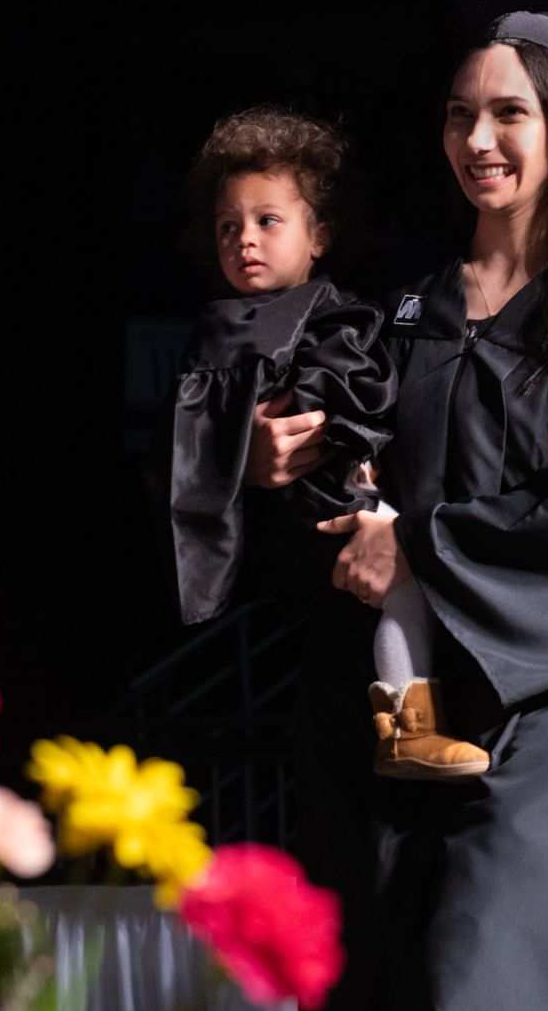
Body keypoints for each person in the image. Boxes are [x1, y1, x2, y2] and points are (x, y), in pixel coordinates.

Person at [246, 0, 548, 1011]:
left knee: (481, 1005)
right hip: (385, 708)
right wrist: (298, 461)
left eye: (509, 112)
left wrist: (427, 549)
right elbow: (351, 473)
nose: (477, 139)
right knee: (371, 1009)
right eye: (460, 115)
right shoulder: (409, 299)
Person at [170, 106, 488, 780]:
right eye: (229, 227)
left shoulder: (331, 311)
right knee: (407, 580)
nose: (244, 241)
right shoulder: (230, 330)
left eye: (267, 221)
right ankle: (410, 721)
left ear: (319, 236)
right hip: (313, 514)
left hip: (339, 494)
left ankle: (412, 719)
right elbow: (203, 439)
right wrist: (249, 458)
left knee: (414, 582)